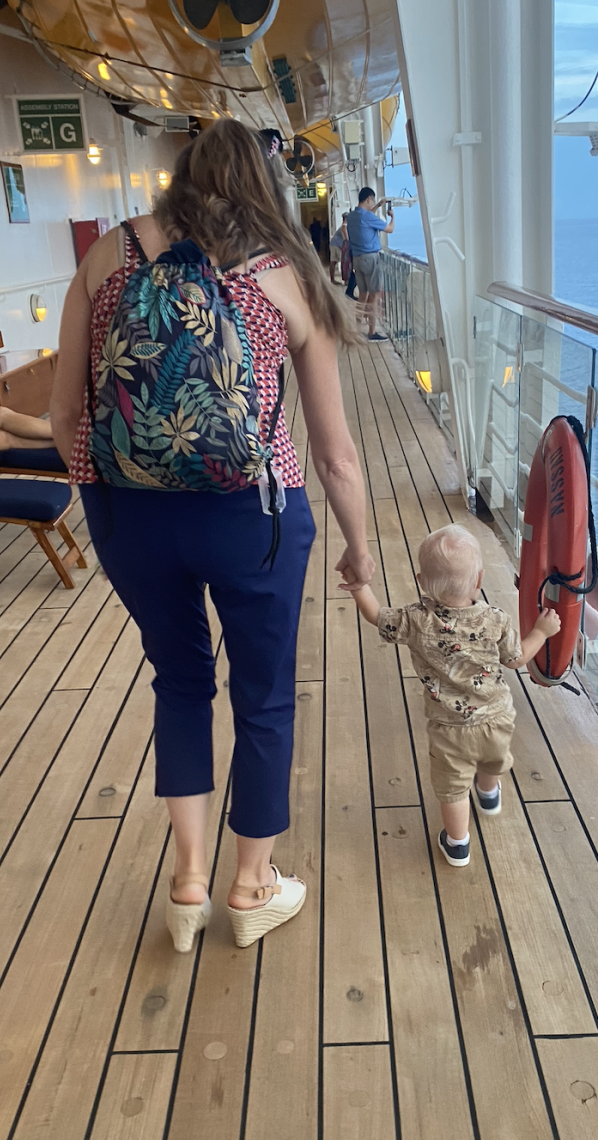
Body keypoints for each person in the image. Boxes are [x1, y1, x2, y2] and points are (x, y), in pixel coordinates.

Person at [50, 120, 374, 954]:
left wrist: (113, 489)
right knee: (263, 695)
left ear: (178, 176)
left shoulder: (109, 256)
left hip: (128, 517)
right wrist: (361, 552)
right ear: (265, 184)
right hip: (253, 519)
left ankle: (188, 880)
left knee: (180, 679)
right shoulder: (286, 276)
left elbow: (62, 416)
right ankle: (252, 883)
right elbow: (335, 456)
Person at [345, 524, 560, 867]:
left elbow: (377, 617)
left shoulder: (415, 620)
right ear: (479, 580)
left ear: (420, 579)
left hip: (448, 728)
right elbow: (516, 658)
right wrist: (542, 631)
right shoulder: (496, 620)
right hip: (497, 717)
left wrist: (360, 588)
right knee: (493, 760)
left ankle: (458, 844)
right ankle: (489, 795)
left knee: (453, 789)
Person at [345, 187, 394, 340]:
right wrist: (392, 217)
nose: (372, 202)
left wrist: (378, 205)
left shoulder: (352, 216)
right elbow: (390, 229)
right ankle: (372, 332)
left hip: (357, 259)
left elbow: (366, 217)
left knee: (362, 296)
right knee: (374, 296)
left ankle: (358, 329)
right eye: (372, 200)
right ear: (368, 200)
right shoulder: (367, 217)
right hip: (371, 259)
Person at [329, 214, 348, 284]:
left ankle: (332, 279)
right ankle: (346, 280)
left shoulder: (343, 226)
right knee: (344, 262)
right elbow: (346, 239)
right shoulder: (344, 226)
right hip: (337, 245)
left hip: (334, 244)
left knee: (333, 261)